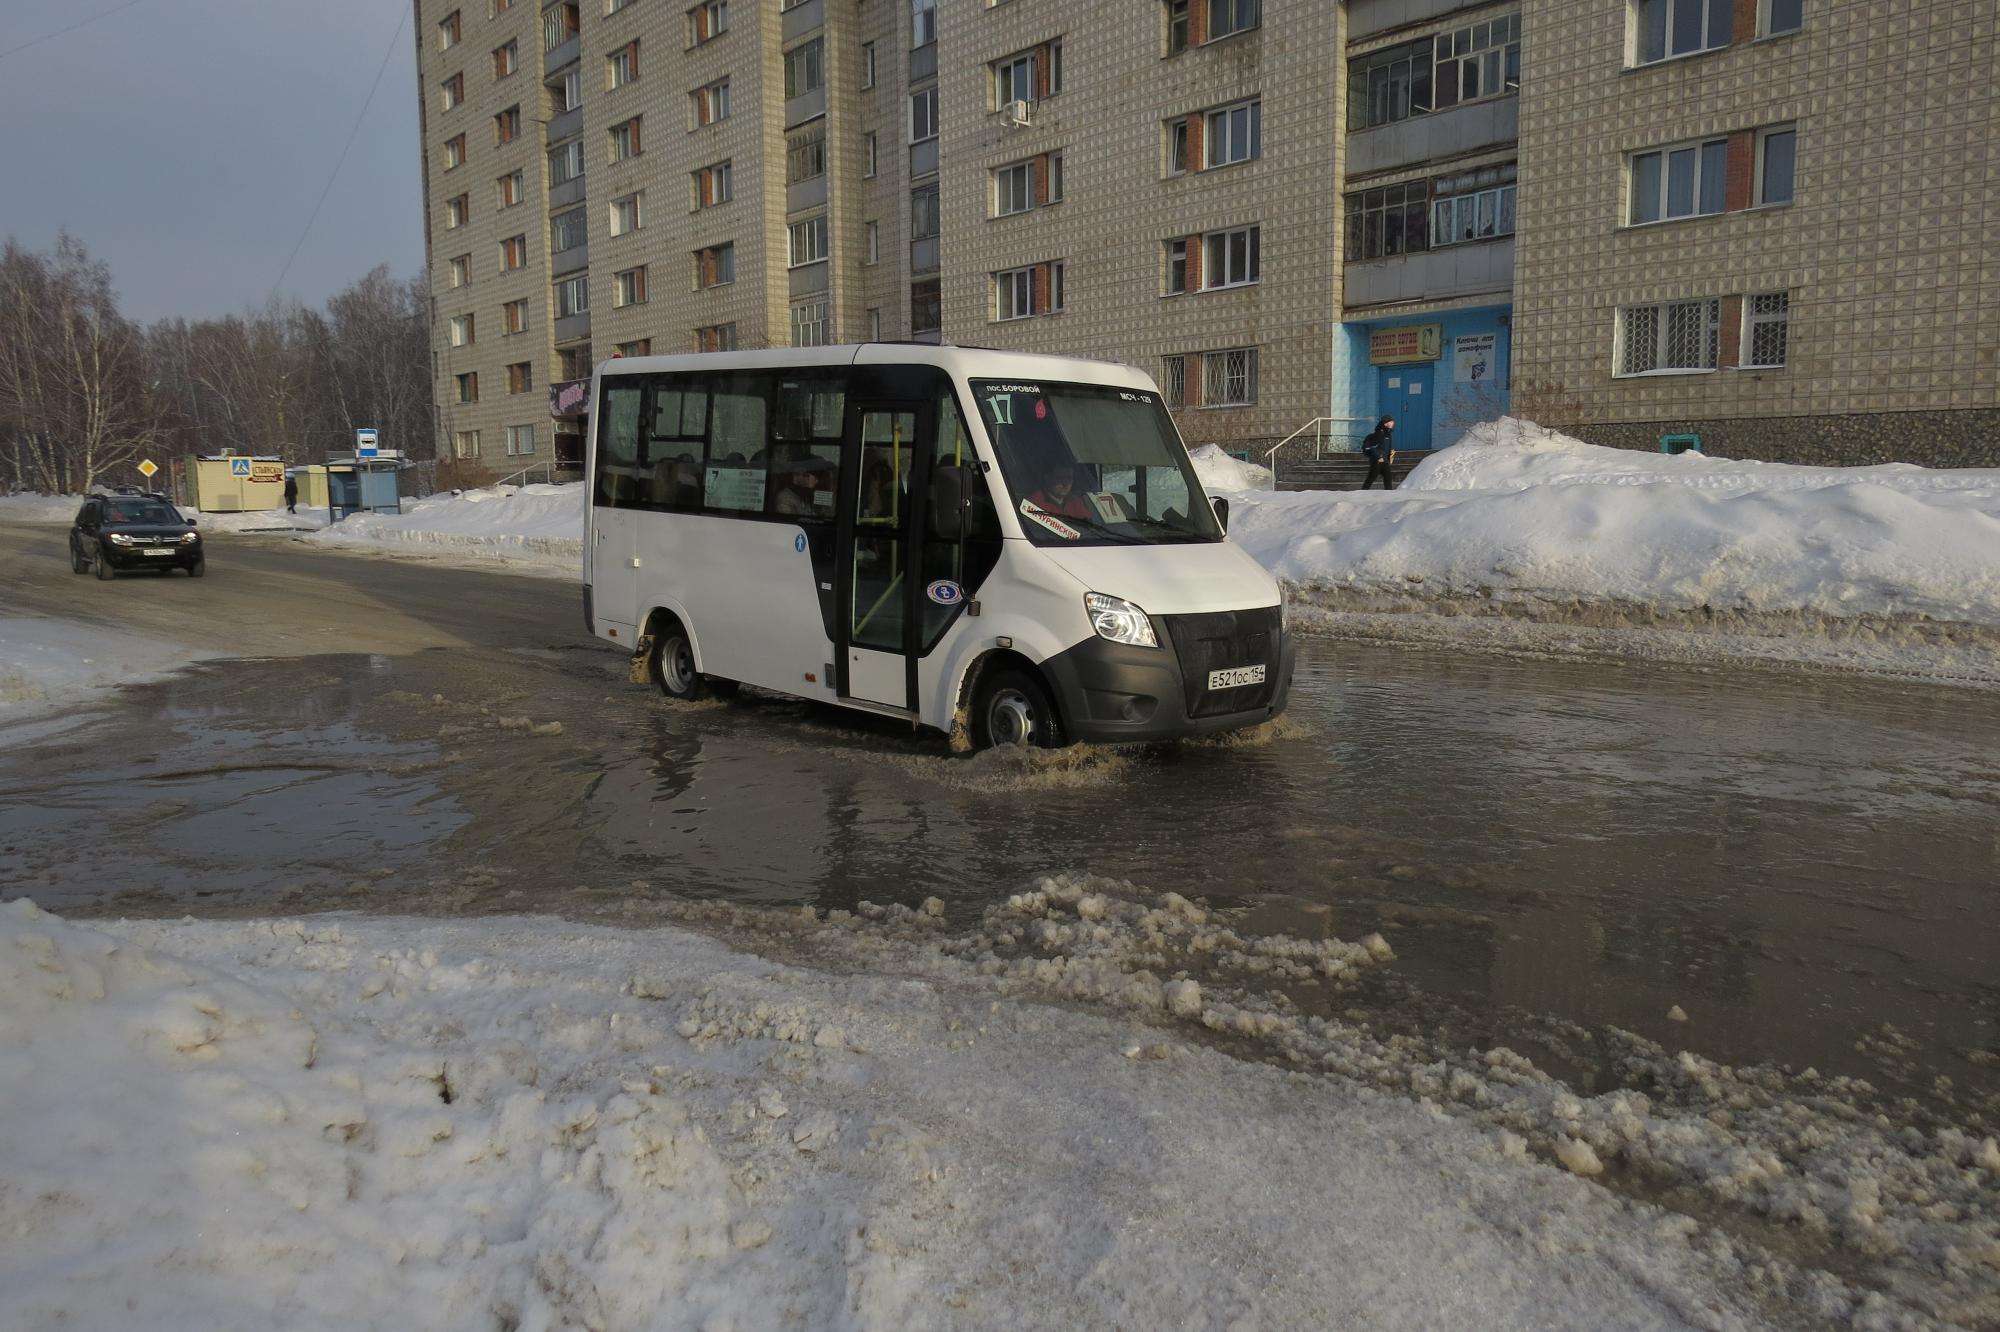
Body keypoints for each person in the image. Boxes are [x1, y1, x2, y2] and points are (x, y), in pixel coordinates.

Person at [1027, 461, 1093, 519]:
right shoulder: (1035, 502)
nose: (1065, 483)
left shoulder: (1075, 501)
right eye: (1060, 478)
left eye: (1069, 478)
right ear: (1048, 478)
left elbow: (1089, 524)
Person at [1360, 416, 1397, 491]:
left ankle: (1389, 496)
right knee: (1371, 478)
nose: (1393, 423)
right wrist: (1378, 457)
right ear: (1386, 423)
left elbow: (1387, 448)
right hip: (1377, 461)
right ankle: (1362, 493)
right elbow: (1372, 447)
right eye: (1391, 422)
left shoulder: (1388, 435)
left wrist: (1390, 456)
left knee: (1388, 478)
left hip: (1385, 461)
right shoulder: (1379, 433)